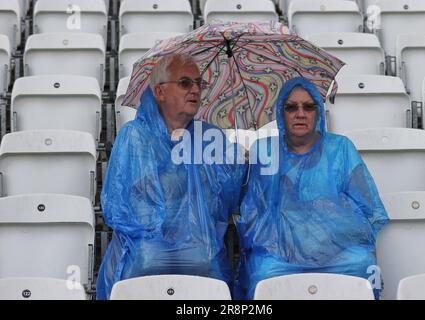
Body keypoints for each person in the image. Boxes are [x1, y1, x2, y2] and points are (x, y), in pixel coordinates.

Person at [96, 53, 246, 300]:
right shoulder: (134, 136)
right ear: (159, 92)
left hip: (200, 248)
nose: (195, 89)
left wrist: (235, 165)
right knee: (147, 260)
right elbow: (118, 207)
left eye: (199, 83)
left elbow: (228, 201)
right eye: (185, 83)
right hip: (147, 246)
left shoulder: (211, 137)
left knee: (208, 265)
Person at [234, 77, 389, 299]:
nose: (300, 113)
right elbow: (252, 211)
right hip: (280, 256)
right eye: (291, 107)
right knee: (263, 273)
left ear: (318, 113)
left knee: (363, 264)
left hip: (337, 254)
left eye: (308, 106)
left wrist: (327, 230)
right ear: (281, 112)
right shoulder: (265, 152)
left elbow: (369, 210)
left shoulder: (341, 148)